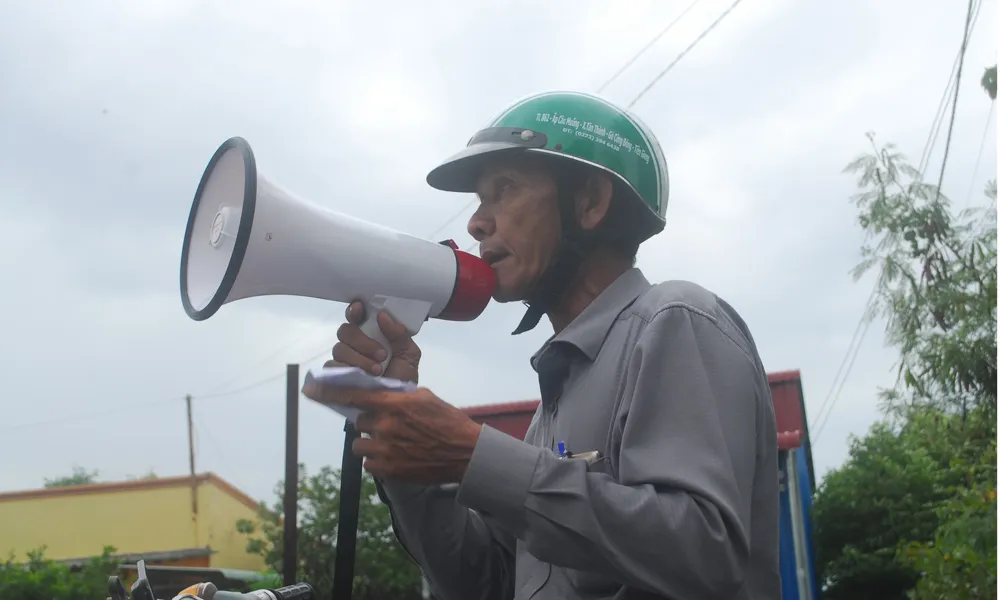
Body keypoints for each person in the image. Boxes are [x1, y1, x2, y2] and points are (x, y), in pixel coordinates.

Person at [309, 91, 780, 600]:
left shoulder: (676, 320)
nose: (476, 222)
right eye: (480, 200)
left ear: (590, 202)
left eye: (503, 189)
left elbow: (705, 551)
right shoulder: (555, 403)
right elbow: (485, 584)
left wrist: (474, 457)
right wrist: (400, 444)